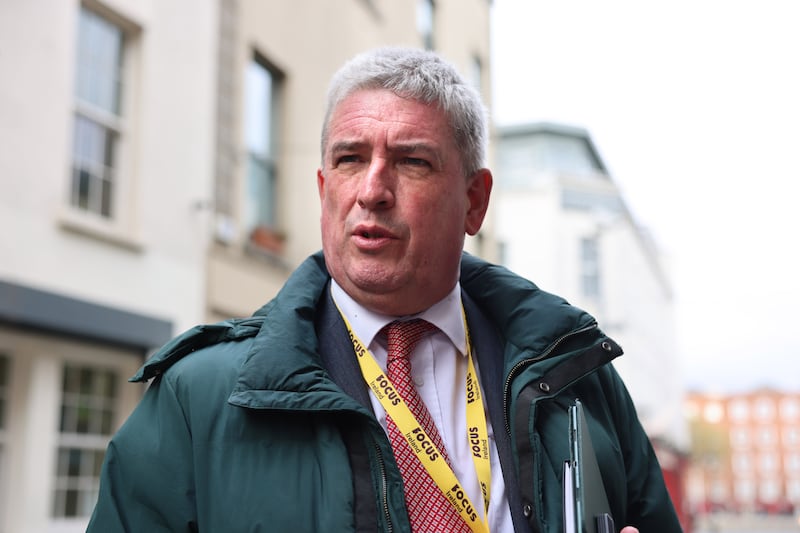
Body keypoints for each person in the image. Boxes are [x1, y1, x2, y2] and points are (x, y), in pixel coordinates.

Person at [87, 47, 681, 533]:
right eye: (349, 159)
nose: (372, 190)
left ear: (474, 201)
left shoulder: (579, 377)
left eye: (412, 162)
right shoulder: (199, 400)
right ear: (323, 189)